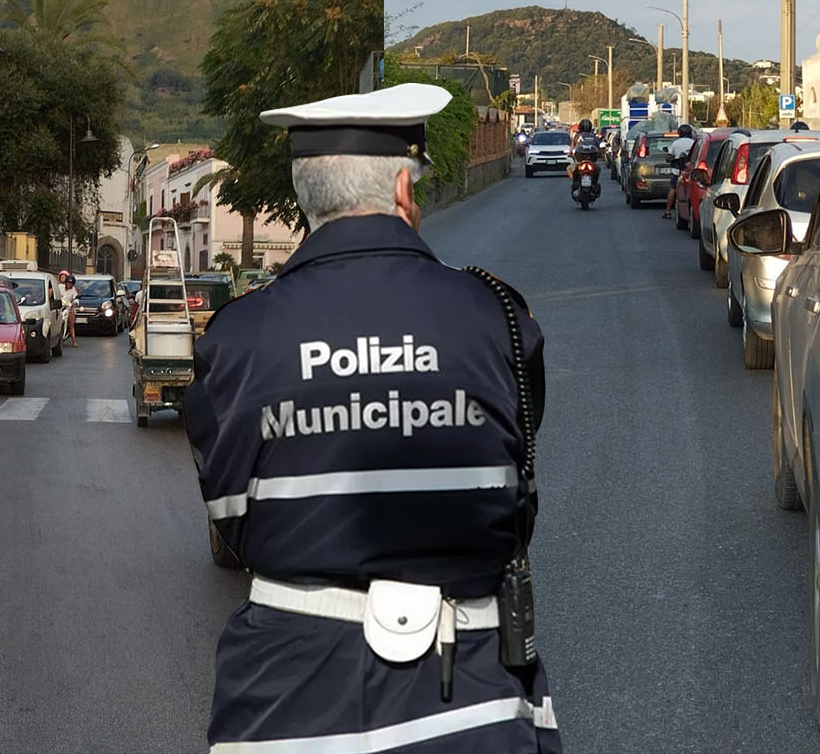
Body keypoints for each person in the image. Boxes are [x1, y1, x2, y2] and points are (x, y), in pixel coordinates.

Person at [185, 82, 559, 753]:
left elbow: (233, 516)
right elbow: (516, 480)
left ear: (304, 201)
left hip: (283, 701)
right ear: (405, 194)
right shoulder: (500, 317)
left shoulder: (234, 340)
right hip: (469, 694)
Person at [664, 123, 696, 219]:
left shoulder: (675, 143)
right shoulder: (694, 143)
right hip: (690, 172)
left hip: (677, 171)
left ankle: (668, 212)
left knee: (672, 190)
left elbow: (669, 157)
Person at [59, 270, 79, 347]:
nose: (69, 285)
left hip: (68, 308)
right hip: (58, 307)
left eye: (71, 284)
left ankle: (74, 341)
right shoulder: (59, 287)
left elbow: (76, 299)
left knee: (71, 323)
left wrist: (75, 303)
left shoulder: (73, 291)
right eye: (68, 283)